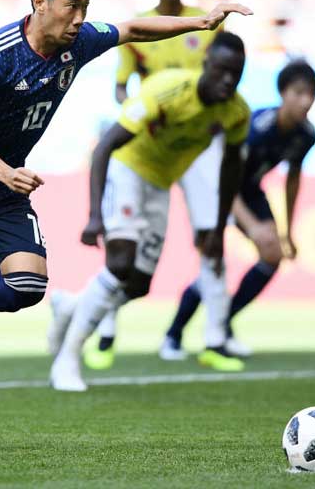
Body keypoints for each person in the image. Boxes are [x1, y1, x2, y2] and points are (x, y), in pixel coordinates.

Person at [0, 0, 251, 451]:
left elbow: (132, 30)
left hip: (0, 188)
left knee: (27, 286)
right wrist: (6, 171)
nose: (80, 18)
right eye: (72, 6)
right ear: (39, 2)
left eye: (85, 6)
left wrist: (201, 22)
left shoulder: (77, 45)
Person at [48, 32, 251, 392]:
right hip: (126, 171)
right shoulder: (166, 91)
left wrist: (219, 229)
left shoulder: (235, 112)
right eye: (221, 71)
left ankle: (70, 305)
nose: (227, 81)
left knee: (138, 284)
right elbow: (105, 147)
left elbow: (231, 170)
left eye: (236, 74)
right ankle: (67, 360)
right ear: (206, 63)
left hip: (160, 184)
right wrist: (95, 214)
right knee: (120, 263)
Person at [87, 0, 228, 370]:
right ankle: (107, 319)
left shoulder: (206, 23)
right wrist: (136, 109)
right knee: (129, 249)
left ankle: (215, 338)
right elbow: (120, 86)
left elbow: (222, 75)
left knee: (211, 234)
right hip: (152, 146)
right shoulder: (141, 28)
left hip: (198, 142)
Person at [162, 60, 315, 358]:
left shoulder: (306, 135)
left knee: (273, 254)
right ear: (283, 93)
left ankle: (222, 324)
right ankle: (173, 335)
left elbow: (292, 181)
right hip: (217, 187)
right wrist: (254, 225)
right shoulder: (257, 129)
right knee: (213, 264)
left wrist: (288, 232)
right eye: (299, 92)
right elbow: (225, 178)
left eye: (311, 94)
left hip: (249, 188)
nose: (306, 101)